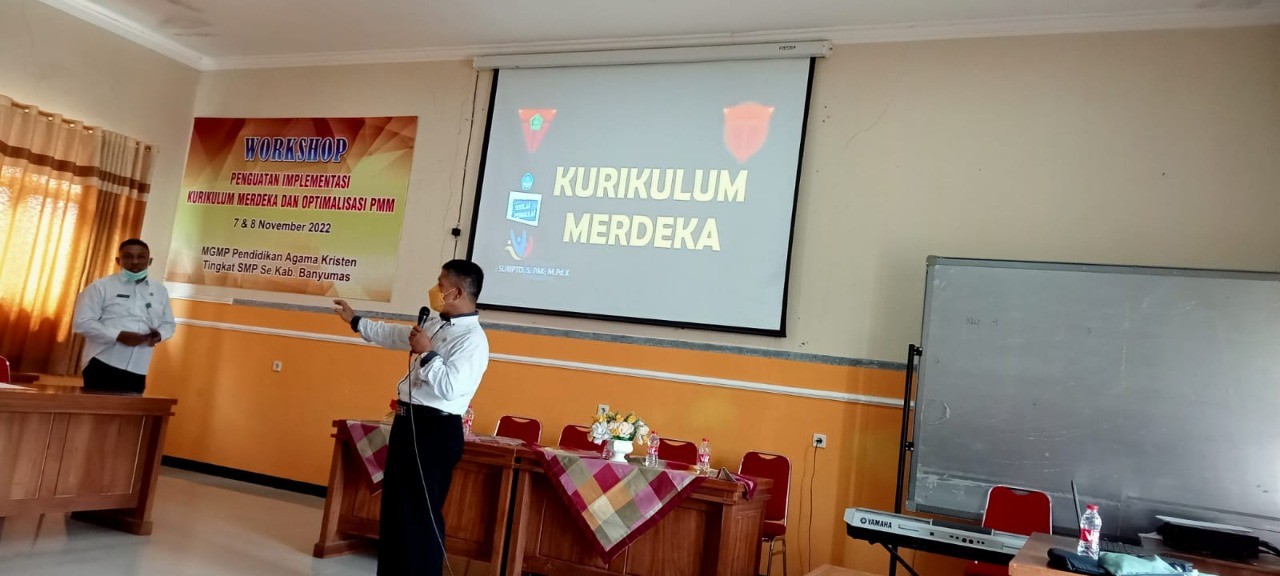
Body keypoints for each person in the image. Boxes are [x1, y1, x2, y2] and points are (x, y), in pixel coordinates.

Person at [333, 259, 489, 576]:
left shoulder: (473, 340)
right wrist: (357, 322)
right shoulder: (437, 323)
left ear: (457, 292)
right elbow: (397, 335)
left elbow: (450, 387)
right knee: (396, 508)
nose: (435, 289)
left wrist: (428, 353)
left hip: (435, 429)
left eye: (441, 284)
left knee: (420, 512)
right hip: (408, 423)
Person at [72, 238, 175, 394]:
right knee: (98, 409)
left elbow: (168, 324)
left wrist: (158, 335)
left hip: (139, 367)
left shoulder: (160, 291)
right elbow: (82, 322)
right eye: (128, 256)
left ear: (149, 261)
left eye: (141, 257)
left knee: (130, 409)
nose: (135, 261)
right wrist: (118, 335)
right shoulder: (100, 287)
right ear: (118, 260)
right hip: (102, 362)